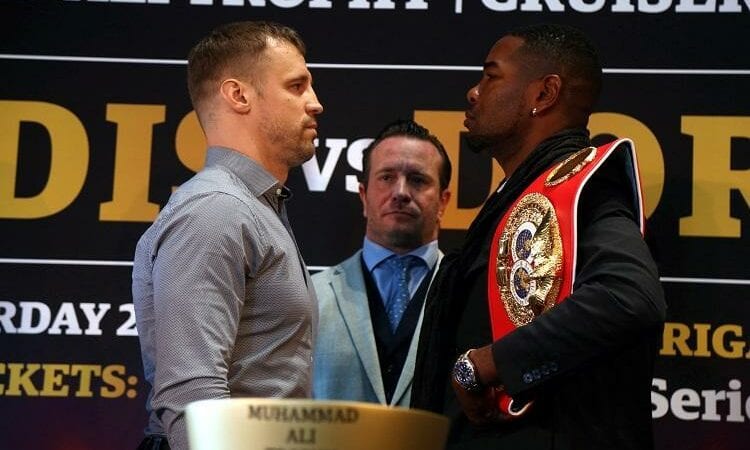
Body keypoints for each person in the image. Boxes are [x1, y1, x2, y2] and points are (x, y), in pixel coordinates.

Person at [411, 24, 666, 450]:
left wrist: (485, 365)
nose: (473, 92)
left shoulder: (584, 193)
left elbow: (628, 296)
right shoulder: (519, 196)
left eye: (491, 76)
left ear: (544, 94)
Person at [131, 21, 323, 450]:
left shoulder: (254, 208)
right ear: (239, 95)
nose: (315, 103)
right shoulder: (216, 210)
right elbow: (191, 394)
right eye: (296, 86)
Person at [312, 119, 452, 407]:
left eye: (417, 180)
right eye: (387, 177)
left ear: (443, 201)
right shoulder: (311, 295)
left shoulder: (469, 295)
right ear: (364, 196)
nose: (400, 192)